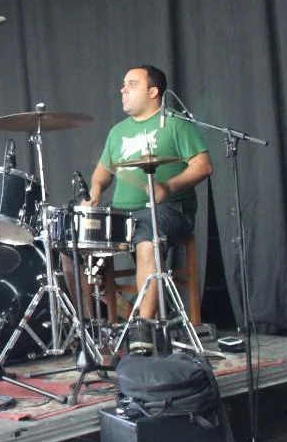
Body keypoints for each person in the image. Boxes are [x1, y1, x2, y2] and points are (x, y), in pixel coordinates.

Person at [83, 66, 212, 351]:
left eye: (132, 84)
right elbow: (103, 172)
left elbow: (203, 166)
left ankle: (143, 327)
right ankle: (91, 326)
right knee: (73, 242)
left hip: (169, 210)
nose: (123, 90)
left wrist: (169, 187)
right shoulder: (117, 132)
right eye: (123, 84)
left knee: (146, 239)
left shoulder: (175, 124)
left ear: (153, 92)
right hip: (122, 215)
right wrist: (95, 192)